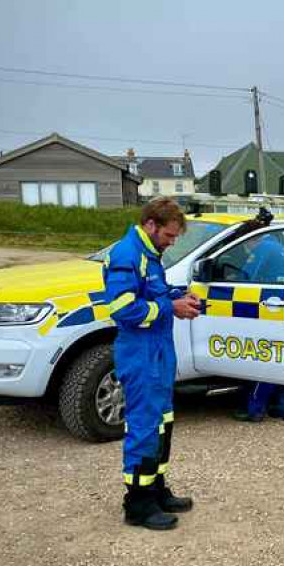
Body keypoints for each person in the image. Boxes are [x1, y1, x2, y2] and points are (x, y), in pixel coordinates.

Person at [103, 198, 202, 530]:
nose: (172, 242)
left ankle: (156, 489)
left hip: (158, 351)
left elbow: (152, 293)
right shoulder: (126, 255)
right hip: (139, 352)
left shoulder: (150, 255)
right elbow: (122, 308)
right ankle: (138, 503)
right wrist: (169, 308)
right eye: (169, 236)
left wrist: (178, 295)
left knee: (163, 422)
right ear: (150, 225)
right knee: (144, 425)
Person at [233, 232, 284, 423]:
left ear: (251, 238)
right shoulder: (280, 247)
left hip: (273, 308)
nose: (247, 250)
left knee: (265, 360)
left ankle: (253, 409)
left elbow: (245, 276)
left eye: (246, 246)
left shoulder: (262, 248)